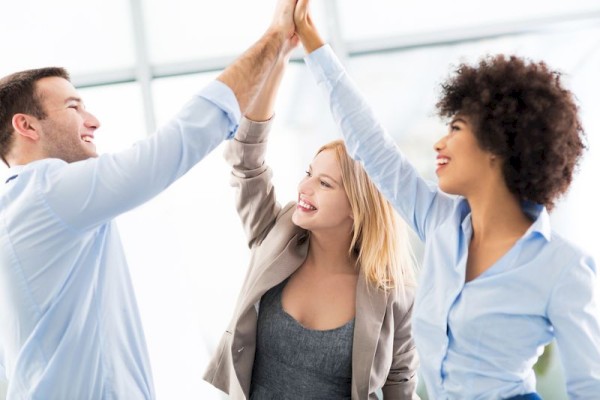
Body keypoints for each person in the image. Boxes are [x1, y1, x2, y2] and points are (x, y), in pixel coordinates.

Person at [293, 0, 600, 399]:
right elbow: (370, 145)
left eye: (456, 127)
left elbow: (589, 388)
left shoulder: (563, 267)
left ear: (498, 143)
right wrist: (314, 44)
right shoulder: (439, 222)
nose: (440, 142)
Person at [0, 1, 298, 398]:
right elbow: (175, 144)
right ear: (26, 126)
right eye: (73, 107)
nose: (93, 121)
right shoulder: (47, 190)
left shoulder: (23, 207)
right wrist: (274, 36)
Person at [203, 21, 419, 400]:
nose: (304, 188)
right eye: (309, 174)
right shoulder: (277, 233)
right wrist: (278, 61)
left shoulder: (392, 293)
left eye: (325, 184)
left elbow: (400, 381)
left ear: (358, 207)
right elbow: (246, 160)